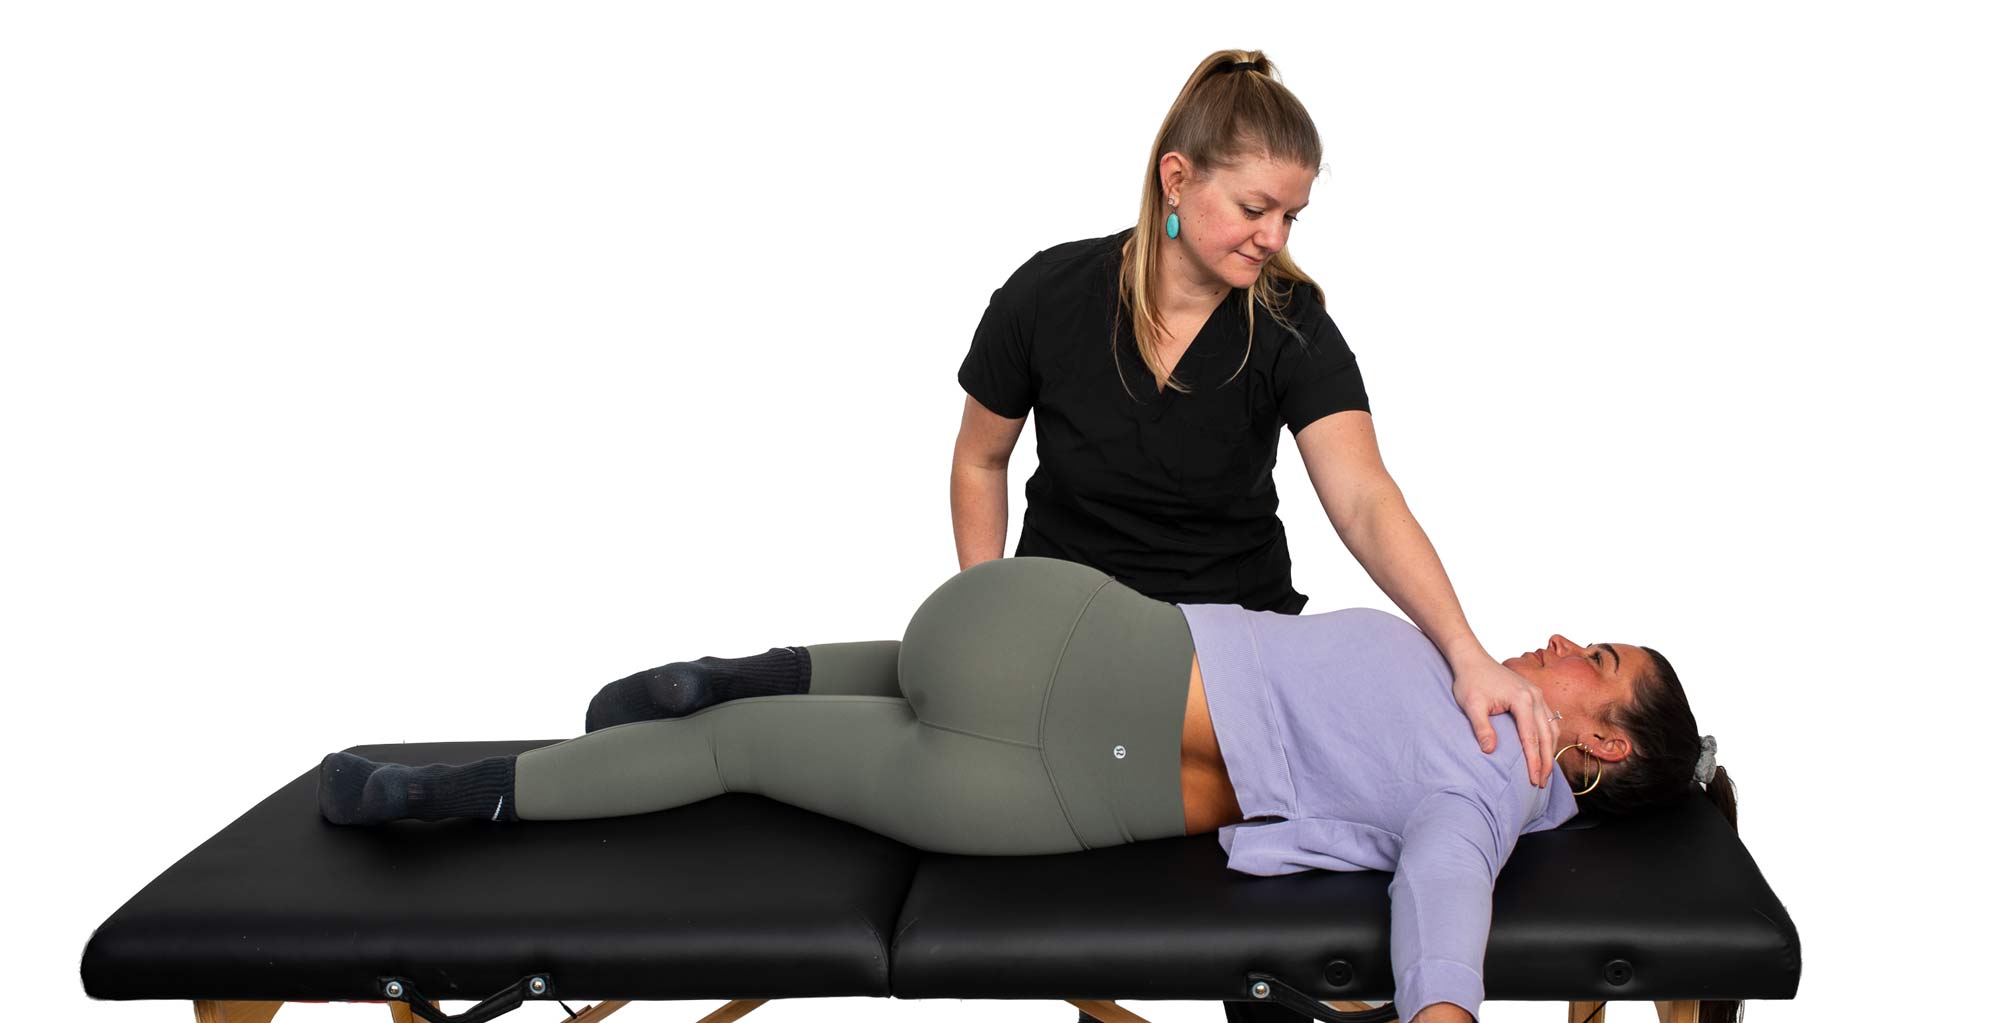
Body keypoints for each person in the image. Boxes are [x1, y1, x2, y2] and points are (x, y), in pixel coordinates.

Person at [319, 557, 1736, 1023]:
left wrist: (1445, 995)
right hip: (1058, 756)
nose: (1564, 640)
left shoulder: (1477, 727)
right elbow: (1440, 892)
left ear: (1603, 745)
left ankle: (761, 664)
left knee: (906, 671)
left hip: (1048, 608)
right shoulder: (1483, 750)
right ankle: (457, 794)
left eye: (1597, 660)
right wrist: (1440, 1011)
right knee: (736, 757)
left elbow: (1443, 882)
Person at [946, 49, 1566, 796]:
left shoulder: (1291, 325)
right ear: (1177, 178)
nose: (1274, 237)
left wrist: (1466, 651)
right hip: (1071, 633)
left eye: (1290, 216)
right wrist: (983, 609)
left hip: (1234, 664)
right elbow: (981, 459)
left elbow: (1364, 498)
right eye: (1254, 209)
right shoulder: (1048, 294)